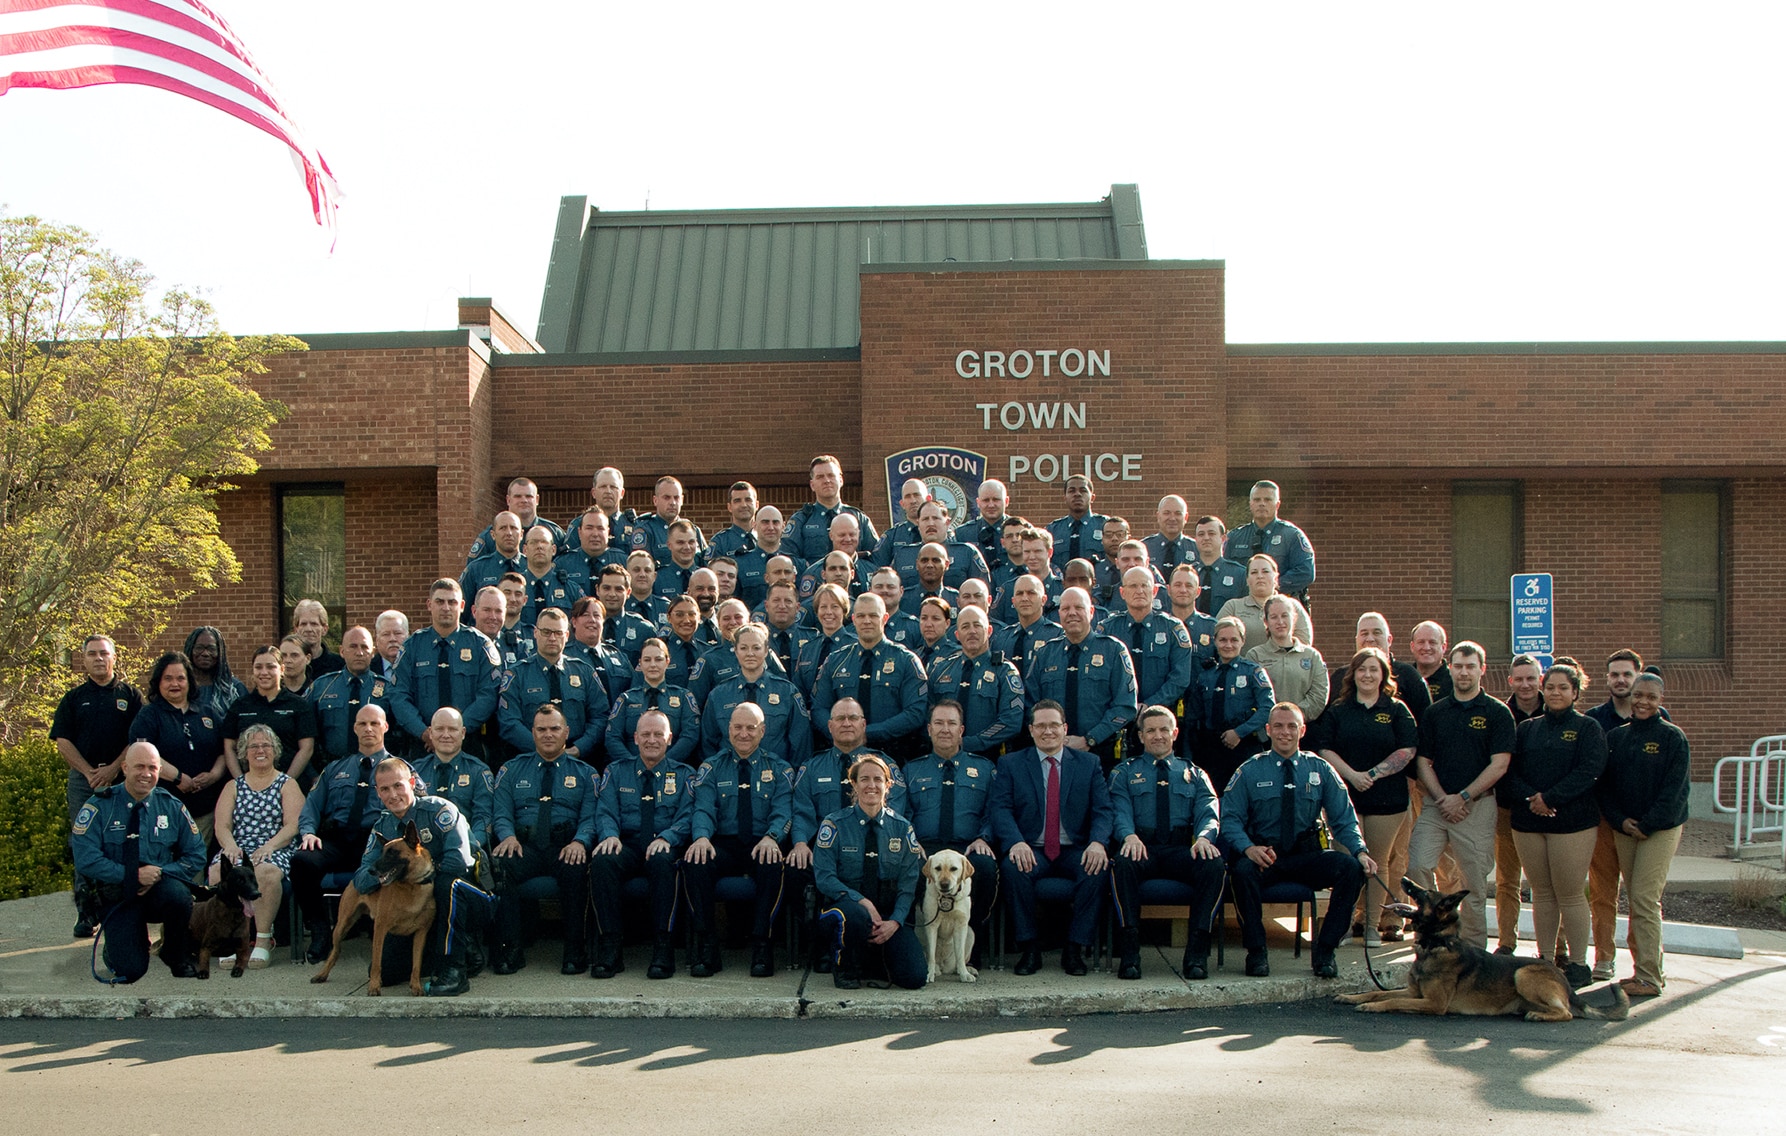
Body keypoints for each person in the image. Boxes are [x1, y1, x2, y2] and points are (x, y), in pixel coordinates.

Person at [1220, 703, 1374, 978]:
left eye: (1292, 726)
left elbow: (1343, 819)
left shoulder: (1320, 769)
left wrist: (1360, 851)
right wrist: (1249, 848)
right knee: (1242, 872)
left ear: (1302, 730)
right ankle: (1256, 952)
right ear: (1267, 730)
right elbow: (1230, 819)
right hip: (1266, 856)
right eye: (1278, 726)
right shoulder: (1249, 771)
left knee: (1351, 869)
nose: (1285, 732)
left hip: (1307, 856)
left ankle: (1325, 951)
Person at [1504, 660, 1608, 989]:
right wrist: (1532, 799)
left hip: (1573, 823)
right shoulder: (1527, 729)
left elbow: (1589, 770)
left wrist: (1551, 798)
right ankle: (1545, 959)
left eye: (1563, 687)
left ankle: (1577, 964)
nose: (1555, 692)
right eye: (1550, 687)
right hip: (1528, 822)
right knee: (1542, 893)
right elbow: (1510, 772)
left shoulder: (1587, 728)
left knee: (1570, 893)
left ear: (1576, 692)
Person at [990, 701, 1113, 977]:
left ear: (1065, 729)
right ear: (1031, 730)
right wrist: (1015, 842)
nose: (1048, 731)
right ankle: (1029, 948)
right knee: (1012, 868)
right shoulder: (1011, 763)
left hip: (1075, 848)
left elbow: (1103, 810)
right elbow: (1000, 809)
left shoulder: (1088, 763)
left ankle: (1074, 948)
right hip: (1032, 848)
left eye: (1054, 725)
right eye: (1041, 726)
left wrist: (1098, 843)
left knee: (1096, 868)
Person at [1409, 641, 1516, 950]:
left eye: (1470, 666)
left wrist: (1464, 796)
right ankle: (1434, 936)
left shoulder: (1497, 713)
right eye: (1458, 666)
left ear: (1481, 670)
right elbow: (1422, 762)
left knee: (1474, 886)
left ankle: (1472, 950)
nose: (1464, 672)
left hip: (1477, 808)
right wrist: (1443, 797)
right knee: (1417, 866)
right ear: (1450, 668)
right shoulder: (1435, 712)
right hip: (1436, 806)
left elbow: (1500, 764)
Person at [70, 742, 206, 982]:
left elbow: (196, 855)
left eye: (152, 768)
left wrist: (158, 873)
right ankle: (117, 946)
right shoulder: (99, 806)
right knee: (130, 971)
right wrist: (131, 875)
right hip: (118, 892)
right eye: (139, 767)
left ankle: (175, 953)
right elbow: (86, 859)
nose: (146, 774)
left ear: (160, 769)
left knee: (179, 897)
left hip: (158, 889)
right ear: (124, 768)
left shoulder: (171, 806)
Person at [1309, 647, 1417, 946]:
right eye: (1361, 669)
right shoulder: (1339, 710)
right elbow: (1325, 748)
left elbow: (1407, 749)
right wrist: (1352, 776)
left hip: (1388, 800)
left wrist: (1374, 774)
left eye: (1374, 669)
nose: (1367, 675)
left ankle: (1370, 925)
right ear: (1352, 675)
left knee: (1378, 862)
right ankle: (1343, 925)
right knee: (1348, 863)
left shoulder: (1396, 709)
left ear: (1383, 675)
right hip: (1346, 798)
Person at [353, 755, 486, 996]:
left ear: (412, 784)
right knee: (389, 973)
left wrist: (419, 871)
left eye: (398, 786)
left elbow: (460, 862)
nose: (393, 795)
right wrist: (392, 872)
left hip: (469, 893)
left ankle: (454, 969)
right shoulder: (382, 827)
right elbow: (362, 879)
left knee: (447, 884)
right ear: (378, 793)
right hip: (418, 906)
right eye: (385, 789)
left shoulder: (440, 810)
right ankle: (446, 955)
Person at [1108, 705, 1224, 980]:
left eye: (1163, 730)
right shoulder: (1124, 773)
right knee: (1122, 864)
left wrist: (1205, 838)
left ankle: (1196, 954)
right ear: (1141, 735)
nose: (1157, 736)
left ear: (1175, 733)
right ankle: (1130, 954)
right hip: (1141, 846)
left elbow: (1209, 811)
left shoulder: (1194, 773)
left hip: (1181, 848)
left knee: (1214, 865)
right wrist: (1129, 836)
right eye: (1150, 730)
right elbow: (1118, 810)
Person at [682, 703, 794, 978]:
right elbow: (704, 809)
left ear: (763, 731)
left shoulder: (779, 768)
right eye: (737, 727)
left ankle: (761, 945)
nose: (743, 734)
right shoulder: (712, 767)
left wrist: (773, 837)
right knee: (696, 861)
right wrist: (701, 838)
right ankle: (708, 947)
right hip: (725, 844)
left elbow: (783, 811)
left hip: (761, 842)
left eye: (750, 728)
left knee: (772, 862)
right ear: (728, 729)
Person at [490, 704, 599, 975]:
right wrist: (508, 836)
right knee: (500, 868)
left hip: (565, 846)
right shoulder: (512, 770)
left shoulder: (586, 773)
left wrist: (580, 841)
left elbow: (590, 817)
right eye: (541, 729)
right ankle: (510, 950)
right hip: (524, 845)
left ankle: (575, 951)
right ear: (533, 732)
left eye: (554, 729)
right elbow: (501, 812)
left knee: (577, 870)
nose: (548, 735)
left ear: (567, 732)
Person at [1601, 672, 1690, 999]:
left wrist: (1647, 824)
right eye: (1639, 695)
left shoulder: (1673, 738)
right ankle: (1645, 970)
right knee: (1636, 900)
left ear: (1660, 700)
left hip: (1660, 830)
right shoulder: (1617, 738)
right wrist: (1621, 821)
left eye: (1651, 697)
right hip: (1625, 828)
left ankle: (1650, 978)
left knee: (1644, 898)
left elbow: (1675, 791)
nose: (1643, 702)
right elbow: (1605, 787)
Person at [591, 709, 695, 980]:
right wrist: (610, 835)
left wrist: (667, 837)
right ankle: (610, 948)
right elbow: (605, 811)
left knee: (664, 861)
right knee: (603, 860)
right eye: (646, 735)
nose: (652, 740)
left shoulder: (684, 775)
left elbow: (687, 816)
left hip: (664, 843)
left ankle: (663, 949)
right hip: (627, 843)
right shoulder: (616, 772)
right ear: (635, 738)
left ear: (669, 738)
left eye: (658, 734)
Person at [1584, 649, 1669, 980]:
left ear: (1638, 678)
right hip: (1605, 820)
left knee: (1642, 897)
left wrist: (1651, 819)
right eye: (1614, 674)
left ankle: (1644, 966)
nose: (1621, 680)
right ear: (1607, 679)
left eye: (1627, 674)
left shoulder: (1662, 722)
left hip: (1646, 825)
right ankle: (1604, 958)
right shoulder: (1595, 720)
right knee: (1602, 892)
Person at [51, 633, 143, 938]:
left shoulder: (131, 696)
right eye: (92, 654)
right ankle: (86, 911)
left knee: (124, 841)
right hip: (83, 781)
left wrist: (115, 768)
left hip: (124, 780)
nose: (99, 658)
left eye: (104, 653)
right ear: (84, 660)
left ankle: (122, 909)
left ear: (115, 657)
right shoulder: (74, 698)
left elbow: (138, 739)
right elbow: (62, 740)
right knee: (84, 842)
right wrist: (91, 772)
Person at [815, 752, 927, 990]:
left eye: (878, 780)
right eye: (864, 779)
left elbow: (908, 885)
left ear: (888, 785)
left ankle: (874, 960)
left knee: (914, 978)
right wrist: (862, 901)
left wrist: (895, 921)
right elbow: (824, 878)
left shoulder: (902, 828)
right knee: (855, 916)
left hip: (887, 914)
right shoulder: (834, 824)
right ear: (853, 784)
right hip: (846, 908)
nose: (871, 785)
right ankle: (845, 968)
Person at [291, 704, 392, 963]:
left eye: (374, 723)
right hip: (337, 841)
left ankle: (387, 935)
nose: (368, 729)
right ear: (354, 728)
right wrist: (308, 833)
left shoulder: (399, 769)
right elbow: (311, 807)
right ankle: (321, 930)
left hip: (375, 842)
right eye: (362, 724)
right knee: (302, 860)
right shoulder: (336, 769)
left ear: (385, 727)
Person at [902, 701, 1000, 962]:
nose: (945, 729)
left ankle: (971, 941)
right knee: (906, 866)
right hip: (925, 846)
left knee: (985, 868)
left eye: (952, 723)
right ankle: (914, 948)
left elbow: (994, 810)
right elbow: (903, 814)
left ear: (962, 730)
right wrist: (911, 840)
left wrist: (984, 837)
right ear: (929, 729)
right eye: (939, 723)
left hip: (967, 846)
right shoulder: (912, 770)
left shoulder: (984, 769)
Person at [212, 723, 304, 968]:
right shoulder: (233, 786)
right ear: (244, 752)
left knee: (265, 872)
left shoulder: (287, 784)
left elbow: (293, 825)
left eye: (266, 745)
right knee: (217, 871)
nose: (260, 750)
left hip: (276, 847)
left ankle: (263, 940)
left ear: (275, 750)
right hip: (238, 846)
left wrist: (269, 847)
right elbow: (221, 826)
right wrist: (231, 847)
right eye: (253, 746)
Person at [388, 578, 503, 760]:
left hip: (468, 745)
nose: (446, 608)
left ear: (462, 605)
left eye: (452, 602)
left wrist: (454, 732)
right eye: (440, 601)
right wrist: (425, 732)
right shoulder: (412, 647)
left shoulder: (480, 645)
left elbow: (488, 695)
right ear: (429, 605)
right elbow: (398, 696)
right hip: (422, 746)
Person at [1023, 587, 1138, 767]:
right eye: (1066, 608)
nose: (1072, 613)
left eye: (1079, 607)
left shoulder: (1113, 650)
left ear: (1091, 612)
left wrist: (1090, 739)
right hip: (1051, 755)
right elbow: (1031, 703)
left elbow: (1125, 706)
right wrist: (1053, 739)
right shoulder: (1045, 653)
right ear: (1059, 613)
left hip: (1100, 752)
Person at [812, 592, 929, 763]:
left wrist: (867, 732)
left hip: (893, 755)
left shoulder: (906, 660)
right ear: (853, 619)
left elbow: (915, 713)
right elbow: (818, 708)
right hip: (843, 756)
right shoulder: (835, 660)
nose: (867, 621)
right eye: (861, 616)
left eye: (873, 615)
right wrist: (842, 733)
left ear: (885, 618)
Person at [129, 651, 227, 839]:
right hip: (162, 809)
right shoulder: (148, 716)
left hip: (206, 811)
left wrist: (214, 775)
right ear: (159, 682)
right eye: (168, 678)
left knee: (198, 864)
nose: (175, 684)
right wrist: (178, 778)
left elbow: (224, 752)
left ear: (189, 681)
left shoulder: (208, 713)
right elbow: (142, 755)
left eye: (180, 678)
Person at [1098, 566, 1194, 759]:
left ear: (1155, 591)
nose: (1139, 590)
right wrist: (1125, 708)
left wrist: (1149, 706)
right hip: (1117, 721)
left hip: (1160, 723)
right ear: (1122, 593)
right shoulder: (1108, 629)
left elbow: (1179, 679)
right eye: (1133, 586)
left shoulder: (1172, 628)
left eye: (1145, 585)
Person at [498, 607, 606, 762]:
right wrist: (544, 750)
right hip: (529, 759)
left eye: (558, 633)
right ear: (535, 633)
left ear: (567, 635)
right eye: (546, 632)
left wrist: (580, 747)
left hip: (578, 759)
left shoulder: (585, 672)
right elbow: (508, 722)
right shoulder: (517, 674)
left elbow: (600, 716)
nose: (552, 638)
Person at [1492, 653, 1546, 955]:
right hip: (1508, 808)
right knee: (1507, 880)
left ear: (1540, 678)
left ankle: (1554, 947)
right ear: (1510, 681)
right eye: (1519, 679)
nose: (1525, 685)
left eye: (1531, 678)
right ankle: (1507, 942)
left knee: (1545, 885)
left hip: (1548, 808)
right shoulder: (1502, 714)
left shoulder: (1555, 709)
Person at [698, 623, 809, 763]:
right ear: (736, 651)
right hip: (729, 775)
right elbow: (708, 743)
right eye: (744, 648)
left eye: (756, 648)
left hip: (775, 776)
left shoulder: (787, 692)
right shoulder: (719, 694)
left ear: (766, 651)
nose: (750, 653)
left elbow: (800, 743)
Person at [926, 606, 1025, 758]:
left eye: (977, 625)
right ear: (957, 635)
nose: (972, 631)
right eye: (965, 627)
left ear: (989, 631)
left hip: (987, 757)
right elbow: (928, 714)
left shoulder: (1004, 671)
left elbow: (1011, 721)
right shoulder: (941, 669)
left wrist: (971, 742)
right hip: (944, 757)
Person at [1188, 617, 1275, 790]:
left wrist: (1239, 732)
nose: (1228, 645)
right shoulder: (1205, 676)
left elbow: (1268, 708)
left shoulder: (1253, 672)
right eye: (1223, 640)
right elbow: (1193, 717)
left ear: (1243, 641)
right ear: (1215, 641)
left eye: (1234, 640)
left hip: (1245, 746)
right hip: (1212, 751)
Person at [222, 644, 319, 785]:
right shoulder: (240, 705)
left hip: (290, 784)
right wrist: (241, 783)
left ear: (282, 669)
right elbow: (229, 747)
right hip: (250, 786)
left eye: (270, 667)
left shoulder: (298, 705)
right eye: (258, 667)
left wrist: (284, 783)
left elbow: (306, 748)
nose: (264, 672)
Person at [607, 637, 704, 769]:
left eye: (658, 659)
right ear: (640, 663)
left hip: (673, 770)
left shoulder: (683, 697)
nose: (653, 664)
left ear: (667, 661)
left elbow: (690, 735)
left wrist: (663, 763)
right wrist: (634, 764)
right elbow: (613, 737)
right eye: (647, 660)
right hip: (631, 771)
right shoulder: (626, 698)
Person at [411, 707, 496, 855]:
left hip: (466, 850)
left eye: (452, 729)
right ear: (430, 733)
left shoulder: (479, 772)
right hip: (421, 853)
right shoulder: (415, 772)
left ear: (463, 733)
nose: (446, 735)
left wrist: (470, 847)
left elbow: (483, 818)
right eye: (439, 729)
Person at [1245, 594, 1328, 739]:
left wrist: (1292, 719)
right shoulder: (1255, 656)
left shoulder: (1312, 656)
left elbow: (1319, 696)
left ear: (1294, 619)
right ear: (1266, 621)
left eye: (1285, 616)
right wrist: (1276, 722)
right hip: (1266, 735)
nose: (1280, 622)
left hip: (1304, 734)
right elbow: (1250, 696)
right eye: (1274, 617)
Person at [309, 626, 395, 764]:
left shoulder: (387, 689)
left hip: (376, 769)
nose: (359, 653)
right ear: (342, 651)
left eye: (364, 647)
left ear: (373, 653)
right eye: (353, 647)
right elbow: (306, 733)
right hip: (330, 767)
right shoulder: (322, 687)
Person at [1222, 480, 1315, 606]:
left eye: (1267, 500)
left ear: (1277, 505)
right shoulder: (1234, 537)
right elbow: (1225, 570)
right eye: (1257, 500)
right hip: (1244, 608)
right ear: (1250, 504)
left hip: (1282, 607)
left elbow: (1306, 572)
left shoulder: (1292, 535)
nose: (1262, 504)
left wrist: (1271, 586)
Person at [785, 453, 880, 561]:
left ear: (841, 480)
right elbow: (787, 559)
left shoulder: (858, 518)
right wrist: (814, 569)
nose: (826, 481)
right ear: (812, 485)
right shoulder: (801, 520)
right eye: (820, 477)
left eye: (831, 475)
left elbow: (876, 557)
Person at [1217, 554, 1312, 651]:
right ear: (1247, 580)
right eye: (1254, 572)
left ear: (1275, 578)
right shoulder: (1233, 607)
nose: (1260, 576)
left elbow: (1304, 644)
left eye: (1265, 571)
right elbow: (1217, 639)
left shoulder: (1292, 606)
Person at [1046, 474, 1110, 570]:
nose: (1077, 494)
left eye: (1083, 490)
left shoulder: (1105, 525)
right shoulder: (1053, 530)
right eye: (1072, 491)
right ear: (1065, 498)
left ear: (1092, 498)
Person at [183, 626, 246, 718]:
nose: (205, 653)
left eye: (211, 649)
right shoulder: (180, 688)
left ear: (220, 652)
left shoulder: (235, 689)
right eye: (199, 648)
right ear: (190, 650)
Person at [1190, 516, 1248, 616]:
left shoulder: (1240, 574)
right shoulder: (1188, 574)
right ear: (1196, 539)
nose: (1206, 538)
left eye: (1211, 533)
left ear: (1223, 538)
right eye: (1201, 534)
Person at [291, 598, 344, 679]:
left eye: (314, 624)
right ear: (296, 629)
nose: (308, 629)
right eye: (303, 624)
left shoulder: (340, 666)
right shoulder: (288, 664)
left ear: (324, 629)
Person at [278, 634, 314, 700]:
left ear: (308, 659)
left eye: (294, 655)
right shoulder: (273, 690)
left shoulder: (315, 690)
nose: (287, 660)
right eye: (283, 655)